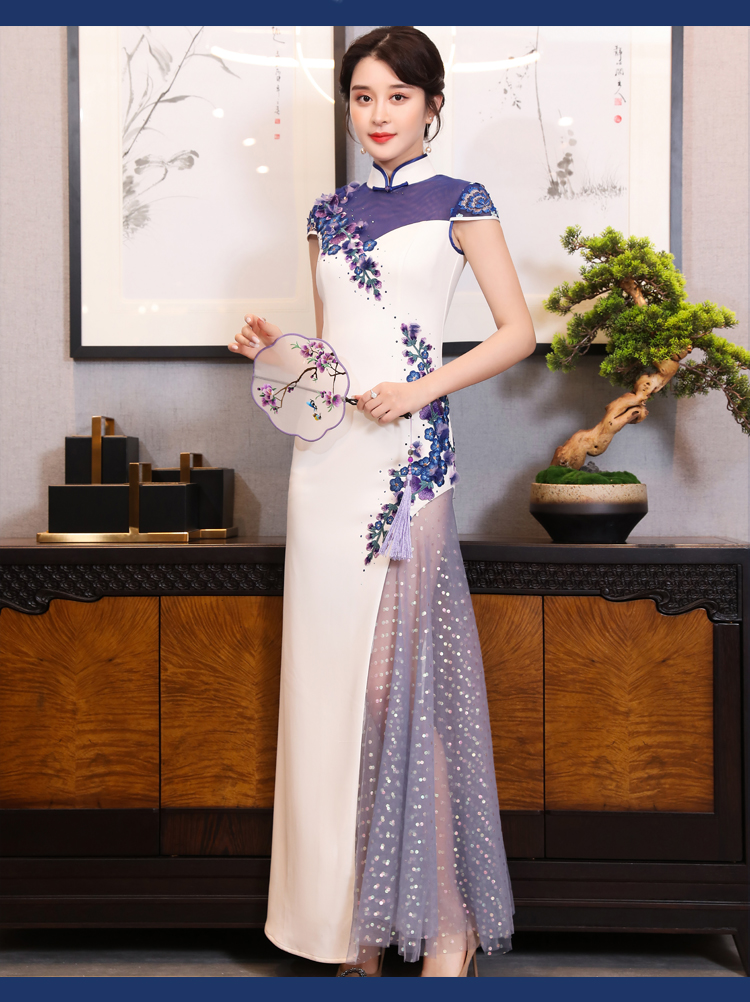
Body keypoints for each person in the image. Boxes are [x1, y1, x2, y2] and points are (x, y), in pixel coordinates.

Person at [229, 26, 536, 977]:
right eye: (362, 97)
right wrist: (275, 352)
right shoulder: (327, 213)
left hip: (408, 465)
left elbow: (517, 333)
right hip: (325, 468)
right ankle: (352, 927)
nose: (377, 114)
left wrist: (419, 390)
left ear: (433, 104)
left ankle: (445, 925)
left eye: (397, 96)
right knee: (336, 695)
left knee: (403, 687)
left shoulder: (463, 201)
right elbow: (329, 363)